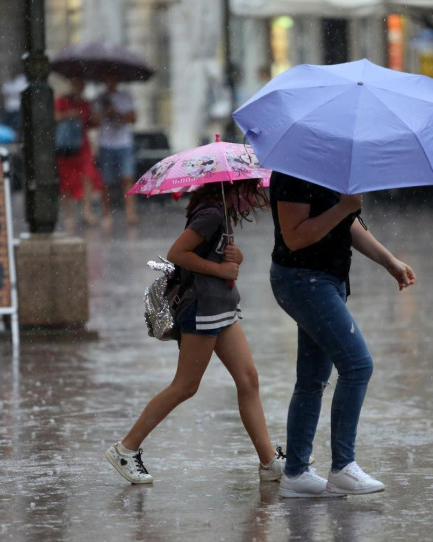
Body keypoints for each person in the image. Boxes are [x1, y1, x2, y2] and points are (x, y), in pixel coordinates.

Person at [105, 180, 285, 484]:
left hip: (221, 308)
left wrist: (233, 258)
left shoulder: (220, 211)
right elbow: (178, 252)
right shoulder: (212, 213)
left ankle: (269, 462)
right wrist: (220, 270)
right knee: (186, 385)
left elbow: (209, 254)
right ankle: (126, 449)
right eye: (251, 188)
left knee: (248, 379)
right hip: (203, 309)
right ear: (236, 186)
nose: (254, 194)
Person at [268, 171, 415, 498]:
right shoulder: (293, 169)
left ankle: (296, 473)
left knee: (312, 379)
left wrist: (388, 260)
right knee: (357, 365)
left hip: (328, 280)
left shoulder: (330, 164)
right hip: (303, 281)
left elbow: (349, 222)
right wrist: (341, 207)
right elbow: (294, 237)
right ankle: (343, 466)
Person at [54, 77, 107, 230]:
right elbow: (54, 117)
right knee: (66, 182)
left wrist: (98, 112)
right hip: (65, 147)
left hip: (82, 146)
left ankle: (87, 211)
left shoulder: (86, 103)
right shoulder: (62, 100)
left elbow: (94, 122)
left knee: (88, 176)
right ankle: (68, 215)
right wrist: (70, 114)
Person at [94, 75, 139, 224]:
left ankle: (130, 213)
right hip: (106, 143)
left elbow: (133, 117)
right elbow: (93, 120)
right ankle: (106, 214)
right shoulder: (100, 98)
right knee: (105, 181)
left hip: (124, 143)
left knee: (127, 178)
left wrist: (118, 113)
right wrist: (106, 112)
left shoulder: (125, 96)